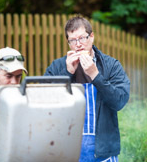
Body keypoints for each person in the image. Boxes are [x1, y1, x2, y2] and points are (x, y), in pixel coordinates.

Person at [44, 16, 130, 162]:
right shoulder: (57, 67)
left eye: (82, 38)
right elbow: (45, 105)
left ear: (91, 37)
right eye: (73, 40)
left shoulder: (111, 66)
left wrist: (95, 75)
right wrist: (67, 74)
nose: (78, 44)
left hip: (103, 153)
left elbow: (119, 101)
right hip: (66, 151)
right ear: (68, 42)